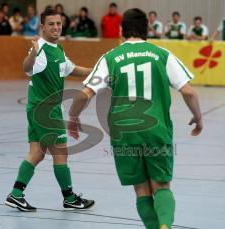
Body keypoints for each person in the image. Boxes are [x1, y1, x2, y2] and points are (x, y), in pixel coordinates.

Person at [68, 8, 203, 229]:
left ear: (121, 30)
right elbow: (188, 92)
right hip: (156, 130)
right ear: (147, 28)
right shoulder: (162, 54)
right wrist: (198, 117)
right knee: (161, 185)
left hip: (124, 134)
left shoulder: (109, 58)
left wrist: (73, 116)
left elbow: (85, 93)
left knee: (141, 189)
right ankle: (165, 226)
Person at [5, 8, 95, 212]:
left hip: (37, 109)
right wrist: (33, 53)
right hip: (46, 110)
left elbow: (72, 69)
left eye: (58, 23)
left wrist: (99, 70)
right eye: (51, 24)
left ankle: (16, 194)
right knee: (61, 154)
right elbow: (27, 68)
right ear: (43, 27)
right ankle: (69, 198)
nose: (56, 27)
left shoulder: (58, 49)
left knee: (36, 153)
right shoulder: (41, 50)